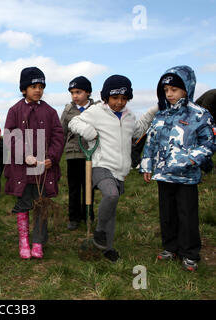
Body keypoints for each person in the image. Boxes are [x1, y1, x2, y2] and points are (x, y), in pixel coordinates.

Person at [69, 75, 158, 262]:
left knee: (111, 210)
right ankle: (99, 231)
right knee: (111, 195)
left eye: (124, 99)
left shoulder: (129, 115)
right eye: (115, 98)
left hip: (121, 170)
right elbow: (74, 122)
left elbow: (137, 131)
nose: (119, 102)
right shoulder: (96, 111)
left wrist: (152, 112)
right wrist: (88, 132)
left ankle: (107, 248)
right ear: (106, 97)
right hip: (101, 165)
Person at [140, 66, 216, 272]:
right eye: (166, 90)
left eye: (174, 89)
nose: (169, 94)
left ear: (187, 88)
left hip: (187, 177)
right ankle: (170, 247)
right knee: (167, 213)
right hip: (164, 174)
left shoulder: (200, 114)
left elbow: (209, 143)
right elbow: (151, 143)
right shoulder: (161, 115)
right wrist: (147, 165)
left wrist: (190, 159)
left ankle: (190, 253)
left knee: (187, 214)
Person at [4, 67, 65, 259]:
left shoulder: (50, 111)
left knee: (41, 204)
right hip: (22, 170)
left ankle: (38, 243)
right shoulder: (14, 110)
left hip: (44, 170)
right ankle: (24, 241)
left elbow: (58, 137)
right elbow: (10, 136)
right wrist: (24, 156)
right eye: (33, 86)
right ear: (24, 89)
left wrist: (52, 158)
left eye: (41, 86)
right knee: (23, 203)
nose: (37, 90)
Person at [60, 76, 99, 230]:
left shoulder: (96, 108)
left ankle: (88, 214)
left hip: (91, 153)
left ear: (88, 92)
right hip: (73, 153)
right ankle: (74, 217)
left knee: (89, 185)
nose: (75, 96)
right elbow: (61, 130)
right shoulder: (69, 110)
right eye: (72, 93)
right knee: (74, 187)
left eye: (78, 92)